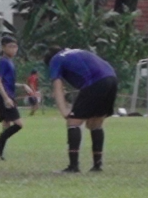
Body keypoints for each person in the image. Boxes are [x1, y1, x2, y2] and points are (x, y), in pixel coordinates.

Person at [47, 45, 118, 173]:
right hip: (111, 78)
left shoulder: (55, 60)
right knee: (95, 123)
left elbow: (57, 87)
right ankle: (97, 166)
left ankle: (73, 167)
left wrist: (64, 111)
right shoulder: (75, 52)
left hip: (95, 82)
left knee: (73, 122)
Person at [0, 35, 24, 161]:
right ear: (3, 47)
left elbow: (8, 82)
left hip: (7, 95)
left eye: (15, 47)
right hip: (5, 96)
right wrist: (6, 98)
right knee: (18, 124)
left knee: (6, 124)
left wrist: (23, 86)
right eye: (10, 47)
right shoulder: (2, 61)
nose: (14, 49)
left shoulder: (10, 61)